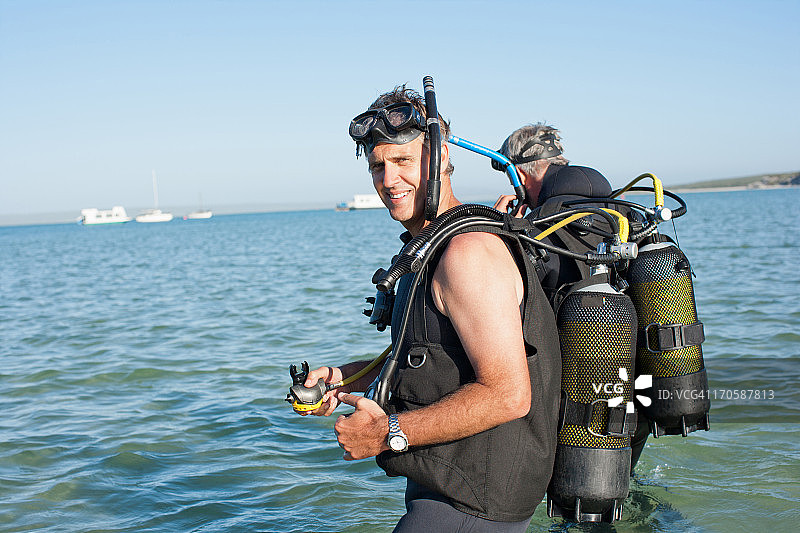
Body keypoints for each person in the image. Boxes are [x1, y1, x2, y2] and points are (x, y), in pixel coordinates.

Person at [299, 87, 561, 531]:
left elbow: (508, 395)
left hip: (473, 504)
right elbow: (424, 358)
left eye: (403, 161)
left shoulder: (467, 253)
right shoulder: (431, 247)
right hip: (448, 491)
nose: (388, 179)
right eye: (378, 165)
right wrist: (343, 378)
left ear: (439, 158)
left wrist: (386, 433)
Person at [493, 123, 649, 471]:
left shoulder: (543, 224)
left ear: (519, 173)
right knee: (622, 489)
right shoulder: (620, 211)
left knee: (578, 505)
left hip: (581, 404)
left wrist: (502, 231)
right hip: (637, 393)